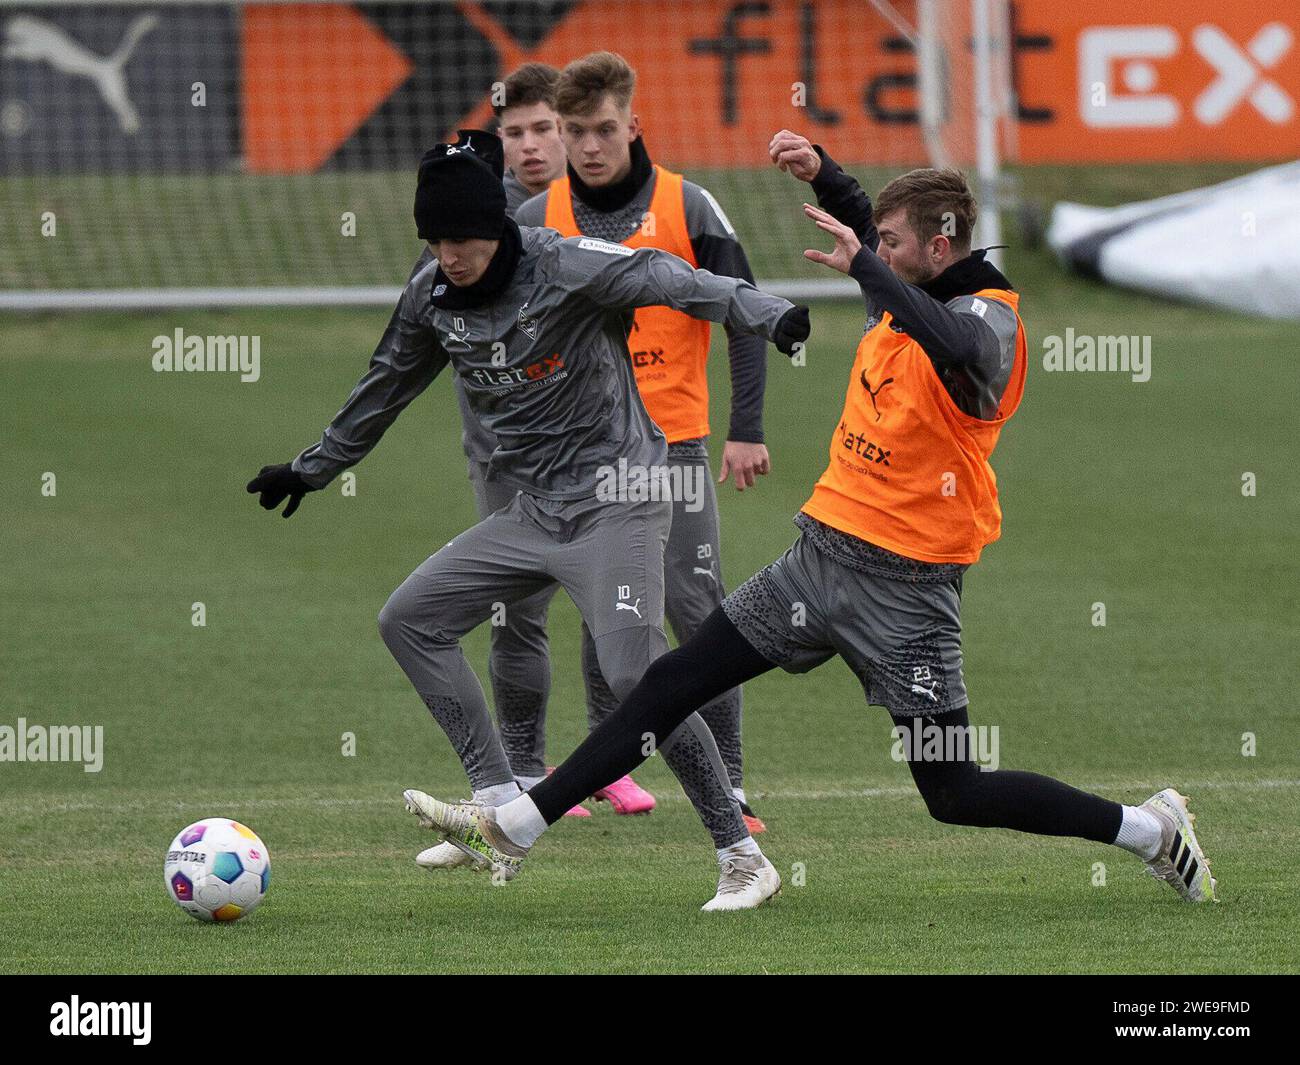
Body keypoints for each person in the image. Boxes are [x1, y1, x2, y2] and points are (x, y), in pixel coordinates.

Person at [401, 131, 1218, 909]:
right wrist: (822, 171)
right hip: (816, 561)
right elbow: (878, 240)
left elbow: (953, 343)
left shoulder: (991, 321)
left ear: (940, 249)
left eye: (892, 244)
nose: (875, 252)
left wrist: (871, 267)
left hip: (906, 591)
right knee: (668, 682)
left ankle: (1147, 830)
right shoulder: (913, 277)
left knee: (955, 790)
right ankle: (518, 824)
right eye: (879, 242)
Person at [248, 129, 810, 910]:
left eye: (465, 239)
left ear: (498, 231)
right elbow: (385, 386)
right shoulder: (433, 297)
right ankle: (492, 798)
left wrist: (763, 311)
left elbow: (664, 275)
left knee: (637, 676)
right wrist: (312, 468)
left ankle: (741, 854)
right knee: (409, 618)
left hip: (618, 499)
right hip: (533, 511)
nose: (450, 254)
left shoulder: (562, 262)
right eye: (437, 240)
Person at [515, 52, 774, 833]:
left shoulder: (689, 205)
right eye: (574, 132)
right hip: (578, 457)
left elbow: (746, 309)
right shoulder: (533, 222)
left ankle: (727, 783)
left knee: (701, 617)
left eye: (602, 129)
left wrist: (746, 429)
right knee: (608, 615)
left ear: (633, 125)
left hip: (676, 447)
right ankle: (608, 769)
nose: (589, 146)